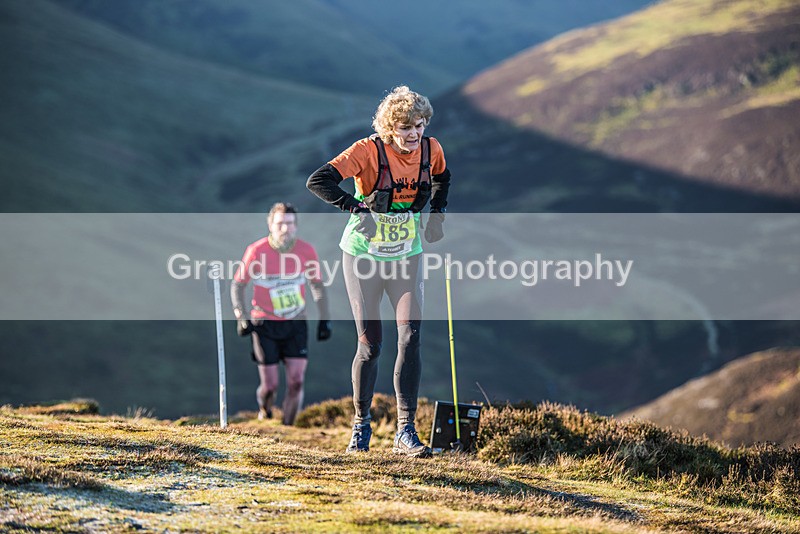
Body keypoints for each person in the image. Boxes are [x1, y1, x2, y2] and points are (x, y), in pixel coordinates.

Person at [307, 86, 451, 457]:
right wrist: (357, 210)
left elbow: (442, 177)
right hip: (363, 258)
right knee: (371, 347)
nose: (414, 134)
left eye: (419, 125)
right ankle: (361, 426)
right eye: (405, 128)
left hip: (407, 255)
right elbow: (318, 181)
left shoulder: (431, 149)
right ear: (390, 129)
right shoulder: (366, 151)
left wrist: (437, 212)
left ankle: (405, 431)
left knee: (410, 338)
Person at [231, 202, 332, 425]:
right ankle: (265, 410)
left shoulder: (307, 250)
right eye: (280, 224)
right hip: (264, 323)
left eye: (290, 224)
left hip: (296, 322)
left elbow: (317, 285)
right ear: (270, 225)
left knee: (296, 381)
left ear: (296, 226)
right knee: (270, 386)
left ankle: (288, 427)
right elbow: (238, 285)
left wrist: (325, 320)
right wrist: (241, 316)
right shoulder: (256, 251)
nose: (285, 229)